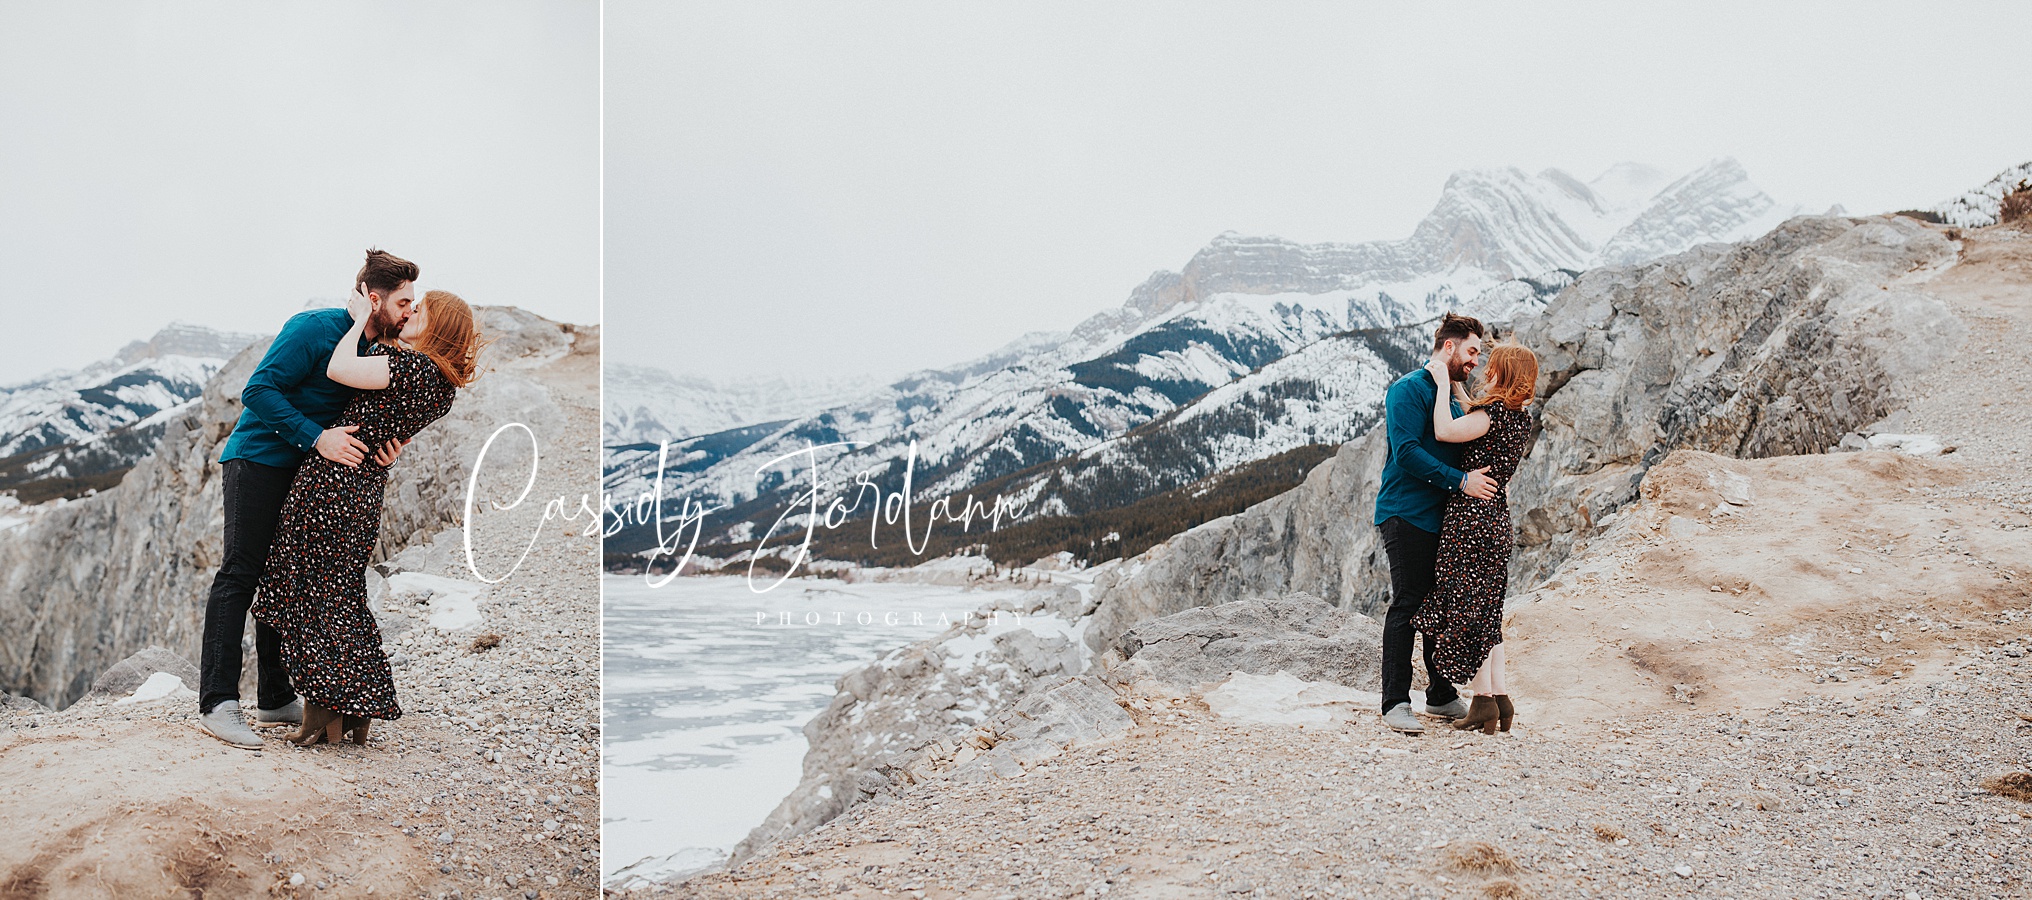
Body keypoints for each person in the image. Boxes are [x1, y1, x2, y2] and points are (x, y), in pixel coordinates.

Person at [196, 249, 417, 750]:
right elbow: (258, 390)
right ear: (374, 298)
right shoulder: (313, 328)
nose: (409, 312)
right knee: (241, 573)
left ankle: (275, 696)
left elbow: (366, 412)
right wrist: (317, 437)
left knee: (284, 578)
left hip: (306, 476)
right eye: (404, 302)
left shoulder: (379, 348)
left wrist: (385, 448)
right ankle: (216, 703)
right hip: (257, 461)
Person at [252, 286, 482, 746]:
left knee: (307, 589)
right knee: (341, 591)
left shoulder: (410, 365)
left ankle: (322, 708)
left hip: (331, 481)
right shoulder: (442, 388)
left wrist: (359, 320)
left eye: (422, 310)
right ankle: (356, 709)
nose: (412, 313)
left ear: (438, 326)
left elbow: (339, 368)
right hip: (365, 489)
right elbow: (387, 425)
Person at [1373, 312, 1499, 735]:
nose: (1475, 361)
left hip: (1440, 516)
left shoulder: (1453, 394)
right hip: (1406, 511)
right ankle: (1394, 702)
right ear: (1449, 346)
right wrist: (1461, 482)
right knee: (1409, 603)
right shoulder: (1407, 390)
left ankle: (1441, 696)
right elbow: (1406, 453)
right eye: (1471, 351)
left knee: (1437, 604)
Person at [1411, 343, 1539, 734]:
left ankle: (1482, 699)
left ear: (1504, 374)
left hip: (1471, 520)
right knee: (1488, 609)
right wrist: (1459, 394)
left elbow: (1444, 430)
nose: (1486, 372)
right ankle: (1499, 697)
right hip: (1497, 518)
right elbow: (1479, 416)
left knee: (1467, 606)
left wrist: (1438, 387)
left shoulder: (1491, 415)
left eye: (1494, 367)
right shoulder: (1519, 418)